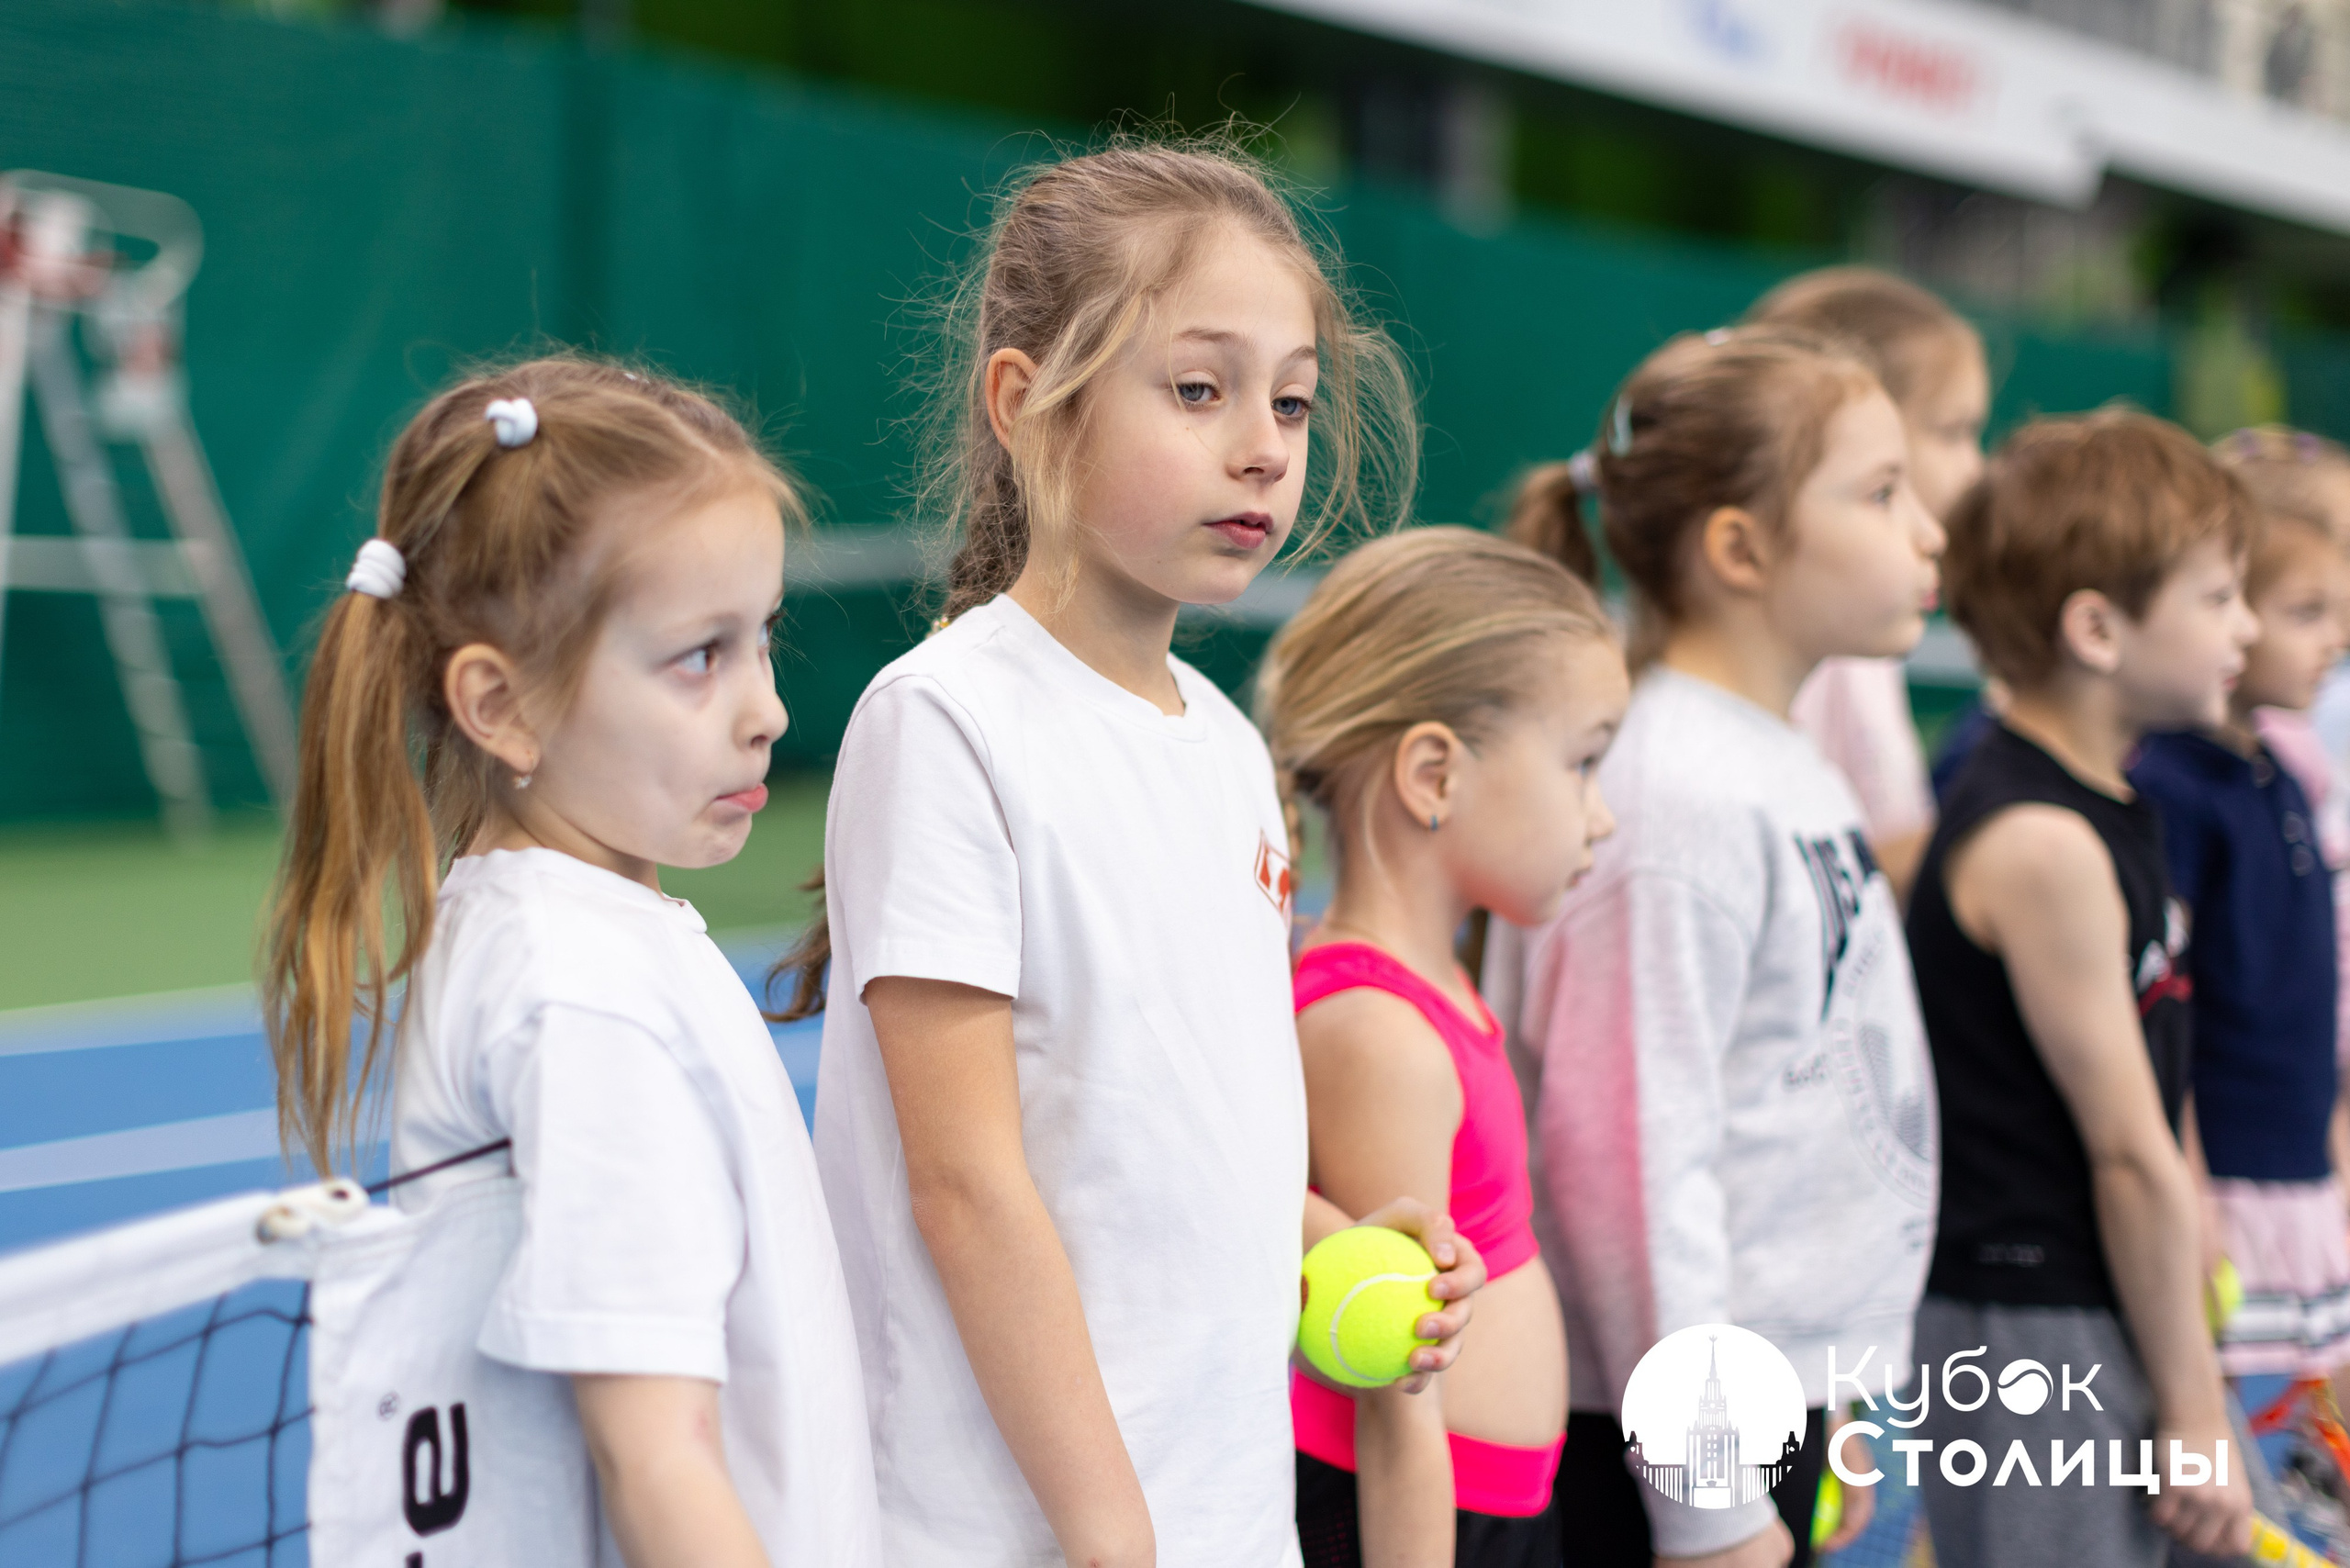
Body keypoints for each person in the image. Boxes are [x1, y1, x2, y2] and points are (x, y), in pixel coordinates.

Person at [786, 137, 1481, 1568]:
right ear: (1026, 408)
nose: (1264, 445)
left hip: (1221, 1512)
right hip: (1009, 1533)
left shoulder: (1227, 750)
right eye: (1200, 389)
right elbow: (969, 1187)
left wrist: (1321, 1233)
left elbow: (1162, 1119)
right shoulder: (945, 723)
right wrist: (1112, 1530)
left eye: (1291, 399)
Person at [263, 358, 882, 1566]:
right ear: (502, 707)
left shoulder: (570, 941)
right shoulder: (582, 994)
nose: (766, 708)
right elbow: (656, 1460)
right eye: (699, 655)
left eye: (762, 637)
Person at [1499, 325, 1945, 1568]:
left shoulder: (1775, 759)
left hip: (1767, 1400)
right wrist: (1710, 1501)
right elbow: (1631, 1167)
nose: (1929, 532)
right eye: (1881, 493)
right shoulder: (1673, 794)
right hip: (1666, 1442)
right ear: (1741, 548)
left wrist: (1833, 1384)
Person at [1907, 409, 2257, 1566]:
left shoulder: (2114, 804)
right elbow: (2123, 1150)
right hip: (2031, 1328)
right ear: (2097, 627)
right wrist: (2194, 1413)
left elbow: (2158, 1100)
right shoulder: (2041, 842)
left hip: (2110, 1303)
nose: (2246, 628)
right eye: (2218, 598)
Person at [1256, 527, 1631, 1567]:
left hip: (1493, 1504)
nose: (1601, 817)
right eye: (1582, 763)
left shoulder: (1431, 986)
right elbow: (1398, 1403)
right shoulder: (1378, 1035)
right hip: (1433, 1522)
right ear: (1433, 775)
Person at [2132, 456, 2350, 1385]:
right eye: (2306, 612)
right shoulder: (2172, 787)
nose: (2335, 640)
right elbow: (2162, 1003)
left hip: (2299, 1172)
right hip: (2224, 1181)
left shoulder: (2282, 776)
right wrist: (2190, 1187)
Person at [1747, 266, 1991, 903]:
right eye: (1953, 432)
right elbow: (1839, 863)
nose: (1977, 468)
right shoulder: (1826, 647)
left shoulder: (1865, 637)